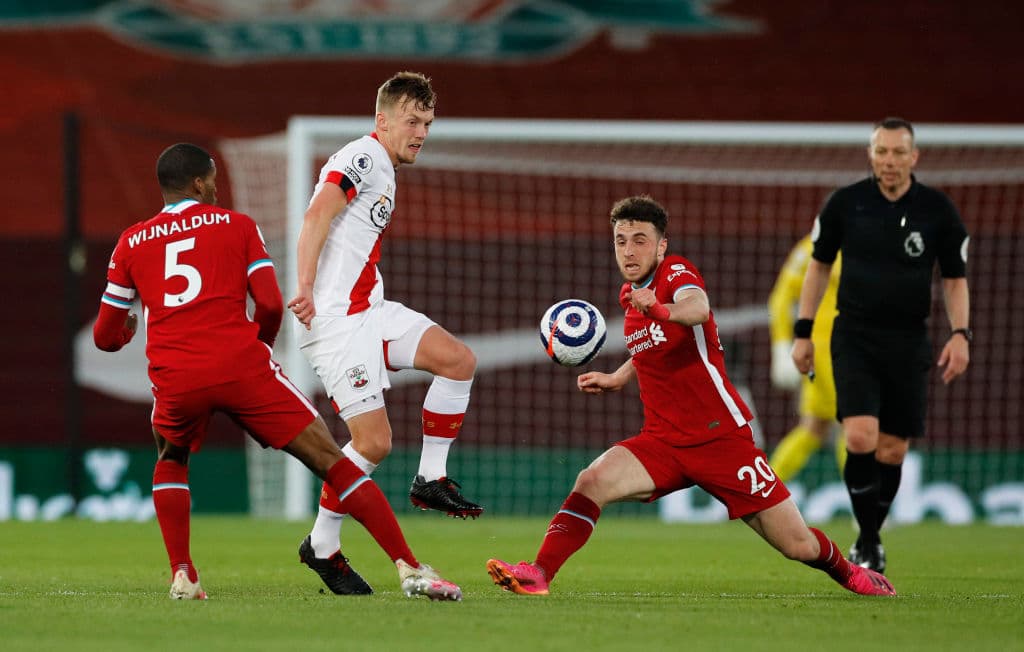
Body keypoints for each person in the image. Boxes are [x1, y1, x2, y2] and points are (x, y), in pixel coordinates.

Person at [93, 143, 462, 601]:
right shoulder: (237, 225)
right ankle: (409, 568)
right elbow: (269, 303)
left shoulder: (130, 242)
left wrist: (129, 327)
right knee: (331, 459)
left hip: (176, 374)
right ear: (199, 183)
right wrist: (258, 349)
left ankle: (183, 575)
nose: (215, 187)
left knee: (171, 459)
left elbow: (105, 337)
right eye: (212, 179)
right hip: (242, 367)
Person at [485, 195, 896, 597]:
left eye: (640, 240)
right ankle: (539, 573)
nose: (629, 250)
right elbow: (652, 343)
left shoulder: (676, 272)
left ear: (662, 245)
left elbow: (696, 309)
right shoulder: (631, 297)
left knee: (798, 545)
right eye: (620, 241)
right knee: (592, 480)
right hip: (662, 441)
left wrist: (659, 309)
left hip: (721, 440)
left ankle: (851, 573)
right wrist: (620, 376)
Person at [286, 72, 482, 592]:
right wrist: (303, 287)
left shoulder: (386, 170)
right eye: (412, 121)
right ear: (383, 120)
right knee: (372, 443)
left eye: (428, 123)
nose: (421, 132)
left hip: (370, 310)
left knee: (458, 360)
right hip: (336, 322)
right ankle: (323, 543)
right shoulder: (364, 156)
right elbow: (315, 216)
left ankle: (431, 479)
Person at [792, 117, 971, 573]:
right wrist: (803, 331)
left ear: (914, 157)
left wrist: (960, 334)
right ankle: (870, 541)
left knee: (892, 450)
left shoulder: (937, 210)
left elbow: (954, 279)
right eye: (881, 152)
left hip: (910, 340)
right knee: (858, 435)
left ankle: (868, 538)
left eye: (898, 152)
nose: (889, 161)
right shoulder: (845, 204)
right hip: (853, 334)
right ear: (871, 155)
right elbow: (816, 267)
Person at [767, 234, 846, 482]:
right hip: (827, 349)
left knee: (815, 427)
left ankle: (761, 491)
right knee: (852, 422)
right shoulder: (814, 246)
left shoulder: (867, 244)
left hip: (847, 347)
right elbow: (780, 298)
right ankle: (866, 507)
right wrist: (781, 347)